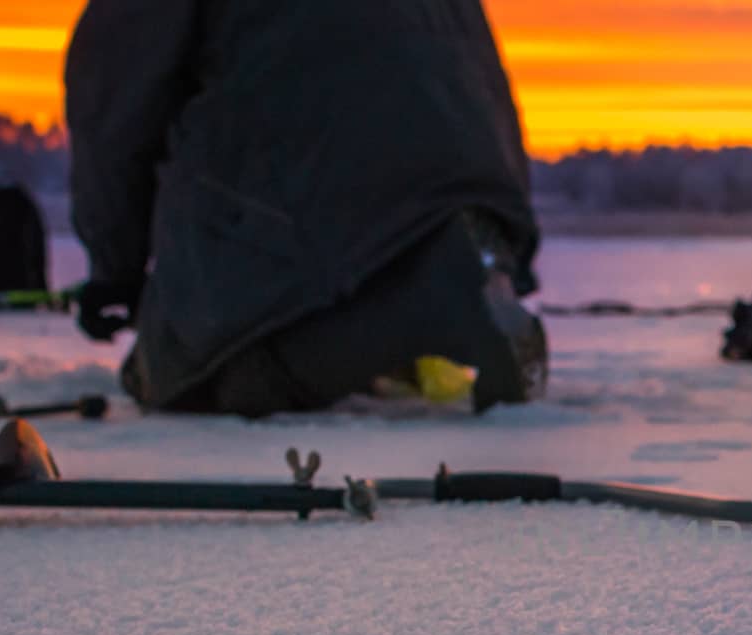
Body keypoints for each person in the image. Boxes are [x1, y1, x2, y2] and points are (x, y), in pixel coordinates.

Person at [65, 0, 546, 417]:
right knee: (359, 268)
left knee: (190, 379)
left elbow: (111, 99)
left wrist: (115, 269)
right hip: (462, 186)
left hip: (311, 192)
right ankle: (459, 278)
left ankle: (431, 304)